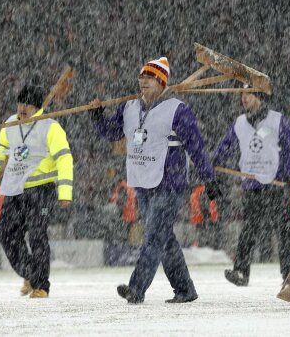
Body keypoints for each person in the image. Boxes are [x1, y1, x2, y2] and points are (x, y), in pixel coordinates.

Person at [89, 57, 221, 304]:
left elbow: (197, 147)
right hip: (142, 182)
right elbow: (112, 132)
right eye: (141, 78)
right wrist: (97, 117)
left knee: (152, 238)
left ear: (162, 82)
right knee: (163, 238)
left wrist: (208, 178)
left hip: (169, 184)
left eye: (149, 78)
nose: (143, 82)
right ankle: (185, 289)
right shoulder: (128, 107)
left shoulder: (177, 110)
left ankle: (136, 288)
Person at [0, 84, 73, 298]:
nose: (22, 108)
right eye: (20, 103)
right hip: (14, 189)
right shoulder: (10, 124)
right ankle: (31, 274)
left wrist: (65, 192)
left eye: (27, 104)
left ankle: (42, 286)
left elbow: (64, 158)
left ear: (37, 107)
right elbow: (2, 150)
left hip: (41, 191)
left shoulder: (50, 126)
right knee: (7, 235)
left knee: (37, 236)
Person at [212, 86, 290, 286]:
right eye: (242, 95)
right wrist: (215, 161)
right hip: (252, 184)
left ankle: (288, 273)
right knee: (249, 230)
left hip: (275, 183)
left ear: (259, 97)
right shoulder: (240, 123)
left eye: (248, 94)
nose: (244, 98)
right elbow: (226, 145)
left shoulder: (277, 120)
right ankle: (241, 271)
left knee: (283, 231)